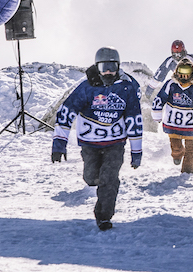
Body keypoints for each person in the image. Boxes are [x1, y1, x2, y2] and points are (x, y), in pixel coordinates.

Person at [51, 47, 144, 230]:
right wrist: (59, 145)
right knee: (92, 178)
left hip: (115, 144)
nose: (108, 72)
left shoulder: (127, 87)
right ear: (97, 67)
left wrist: (136, 151)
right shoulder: (86, 87)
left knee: (109, 178)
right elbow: (66, 112)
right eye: (103, 67)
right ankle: (101, 195)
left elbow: (135, 119)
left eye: (112, 67)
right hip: (90, 144)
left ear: (118, 67)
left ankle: (104, 216)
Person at [151, 59, 193, 174]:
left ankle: (187, 171)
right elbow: (160, 98)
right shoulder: (171, 84)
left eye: (187, 72)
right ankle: (177, 154)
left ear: (192, 73)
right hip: (173, 124)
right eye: (181, 71)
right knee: (176, 146)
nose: (184, 76)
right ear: (176, 72)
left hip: (190, 125)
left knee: (190, 148)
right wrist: (157, 113)